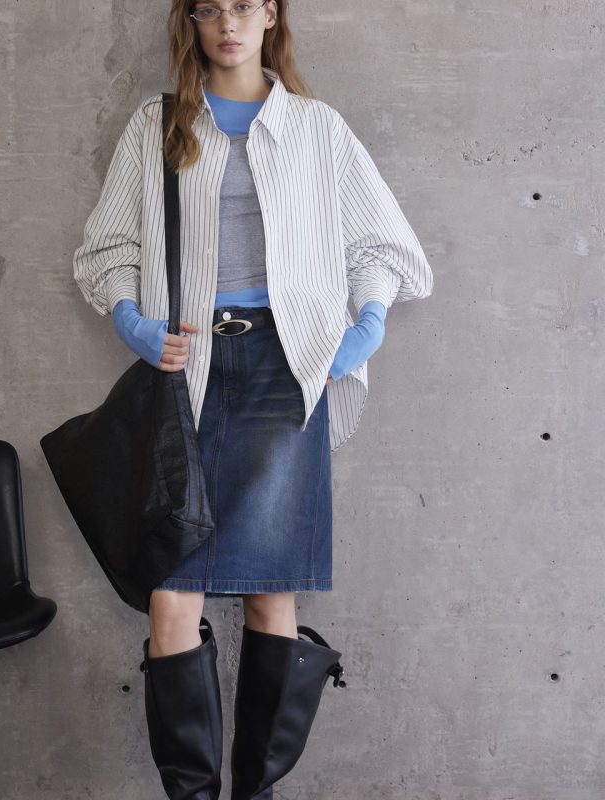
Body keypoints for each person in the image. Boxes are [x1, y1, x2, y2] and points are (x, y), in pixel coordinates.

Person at [72, 1, 434, 796]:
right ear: (192, 22)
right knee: (172, 599)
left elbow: (378, 244)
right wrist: (133, 321)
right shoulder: (157, 125)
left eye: (243, 5)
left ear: (271, 15)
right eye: (209, 8)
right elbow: (109, 247)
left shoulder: (316, 128)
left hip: (283, 368)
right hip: (187, 373)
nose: (227, 23)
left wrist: (366, 325)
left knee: (272, 596)